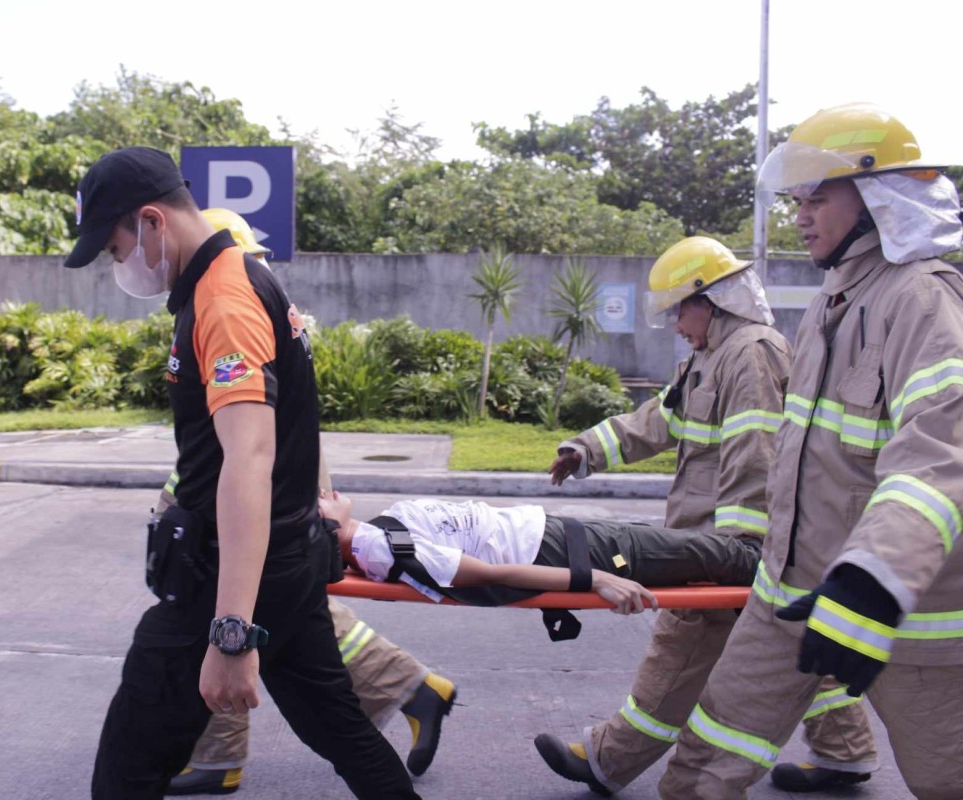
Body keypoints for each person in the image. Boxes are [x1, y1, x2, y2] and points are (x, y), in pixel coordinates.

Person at [67, 147, 420, 800]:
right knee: (339, 730)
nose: (118, 266)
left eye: (114, 249)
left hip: (226, 574)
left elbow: (248, 460)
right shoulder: (220, 283)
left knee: (129, 766)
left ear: (151, 222)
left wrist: (230, 631)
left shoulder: (224, 300)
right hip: (284, 560)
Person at [658, 104, 963, 800]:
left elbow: (940, 454)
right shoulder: (834, 301)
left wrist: (870, 581)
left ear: (879, 197)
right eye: (797, 200)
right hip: (788, 591)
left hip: (904, 614)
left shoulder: (923, 301)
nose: (801, 215)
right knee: (702, 770)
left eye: (817, 197)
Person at [533, 236, 877, 795]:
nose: (673, 324)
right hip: (734, 542)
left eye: (679, 310)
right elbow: (661, 418)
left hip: (727, 542)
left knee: (684, 641)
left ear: (712, 300)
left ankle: (606, 759)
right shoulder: (712, 355)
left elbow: (757, 454)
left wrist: (739, 548)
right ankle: (846, 753)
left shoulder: (750, 352)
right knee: (795, 641)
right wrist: (587, 449)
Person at [168, 212, 456, 796]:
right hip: (274, 536)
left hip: (264, 539)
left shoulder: (233, 307)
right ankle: (411, 686)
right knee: (332, 716)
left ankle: (222, 753)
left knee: (236, 644)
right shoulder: (261, 301)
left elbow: (250, 453)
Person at [324, 491, 759, 609]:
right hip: (561, 553)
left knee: (708, 553)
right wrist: (597, 579)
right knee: (721, 557)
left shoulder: (375, 535)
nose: (323, 491)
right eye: (316, 502)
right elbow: (492, 576)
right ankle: (797, 576)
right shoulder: (383, 549)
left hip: (556, 534)